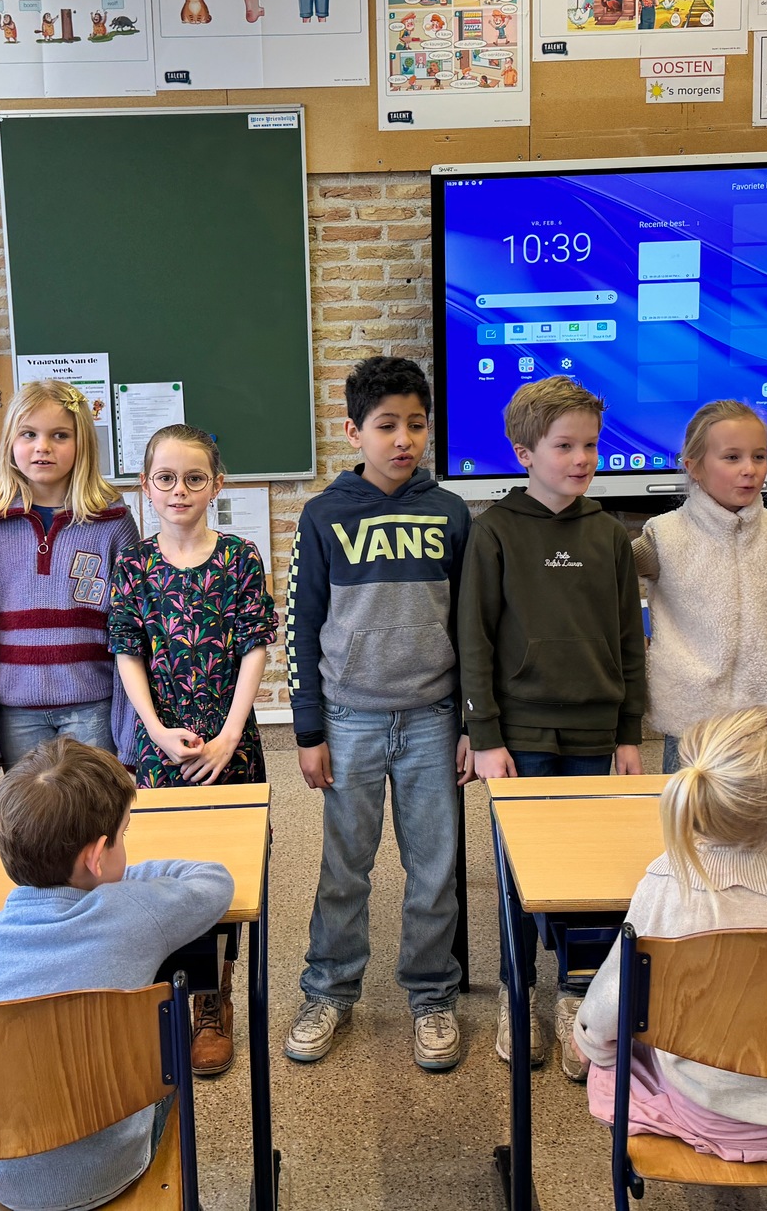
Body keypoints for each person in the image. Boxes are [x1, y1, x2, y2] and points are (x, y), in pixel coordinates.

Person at [284, 357, 473, 1073]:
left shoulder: (450, 513)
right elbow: (300, 627)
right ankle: (328, 991)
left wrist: (469, 723)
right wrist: (308, 730)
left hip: (432, 719)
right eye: (387, 425)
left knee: (435, 870)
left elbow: (473, 628)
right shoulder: (323, 515)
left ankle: (432, 996)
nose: (403, 440)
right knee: (344, 868)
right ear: (353, 431)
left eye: (416, 425)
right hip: (350, 720)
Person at [571, 705, 767, 1162]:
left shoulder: (668, 884)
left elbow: (613, 999)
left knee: (607, 1050)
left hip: (709, 1112)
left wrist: (591, 1044)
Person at [0, 738, 233, 1211]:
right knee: (167, 1052)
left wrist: (103, 872)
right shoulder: (131, 915)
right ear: (98, 855)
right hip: (104, 1170)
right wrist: (118, 883)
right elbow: (213, 880)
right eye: (124, 833)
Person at [458, 375, 646, 1077]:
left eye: (590, 445)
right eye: (564, 446)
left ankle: (576, 994)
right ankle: (519, 993)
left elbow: (629, 640)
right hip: (521, 737)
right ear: (524, 453)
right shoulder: (494, 532)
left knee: (590, 870)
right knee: (520, 870)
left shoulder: (609, 536)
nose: (581, 459)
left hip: (596, 734)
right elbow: (474, 642)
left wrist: (629, 733)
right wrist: (485, 737)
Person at [109, 423, 277, 1077]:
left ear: (217, 484)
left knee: (223, 872)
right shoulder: (134, 565)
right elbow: (128, 651)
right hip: (161, 749)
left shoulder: (239, 558)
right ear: (146, 487)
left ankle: (214, 998)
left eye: (194, 478)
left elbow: (254, 646)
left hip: (229, 744)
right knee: (160, 872)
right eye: (166, 478)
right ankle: (161, 995)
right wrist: (153, 729)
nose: (179, 490)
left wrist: (231, 733)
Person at [635, 401, 767, 774]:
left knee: (762, 807)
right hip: (690, 726)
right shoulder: (662, 535)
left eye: (759, 456)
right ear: (694, 467)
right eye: (732, 457)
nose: (750, 469)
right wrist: (635, 649)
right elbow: (601, 588)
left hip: (761, 719)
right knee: (691, 811)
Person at [0, 381, 138, 762]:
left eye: (60, 435)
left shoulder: (113, 522)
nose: (42, 446)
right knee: (30, 803)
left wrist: (128, 734)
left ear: (82, 445)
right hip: (15, 710)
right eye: (28, 434)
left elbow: (130, 633)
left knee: (93, 798)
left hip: (93, 705)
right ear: (10, 443)